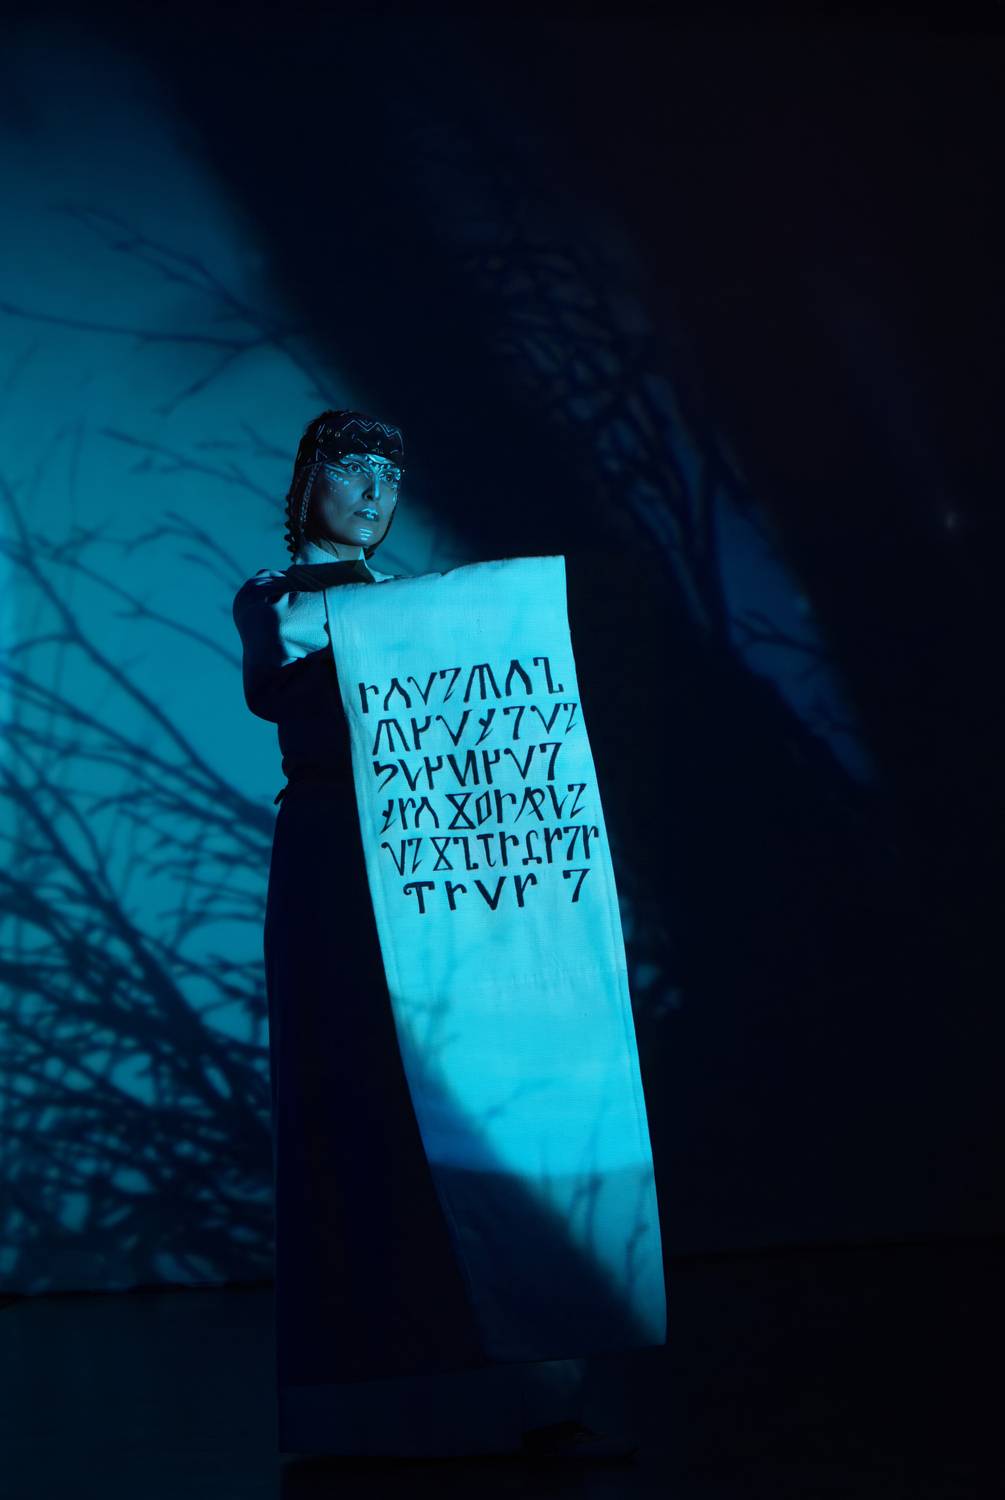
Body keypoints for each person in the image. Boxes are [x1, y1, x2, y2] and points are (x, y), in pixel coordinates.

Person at [232, 409, 639, 1460]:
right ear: (308, 478)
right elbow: (278, 672)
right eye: (352, 470)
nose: (375, 494)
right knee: (354, 1105)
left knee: (472, 1105)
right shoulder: (277, 597)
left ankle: (532, 1393)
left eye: (390, 476)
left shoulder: (424, 608)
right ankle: (376, 1403)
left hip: (433, 872)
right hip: (334, 864)